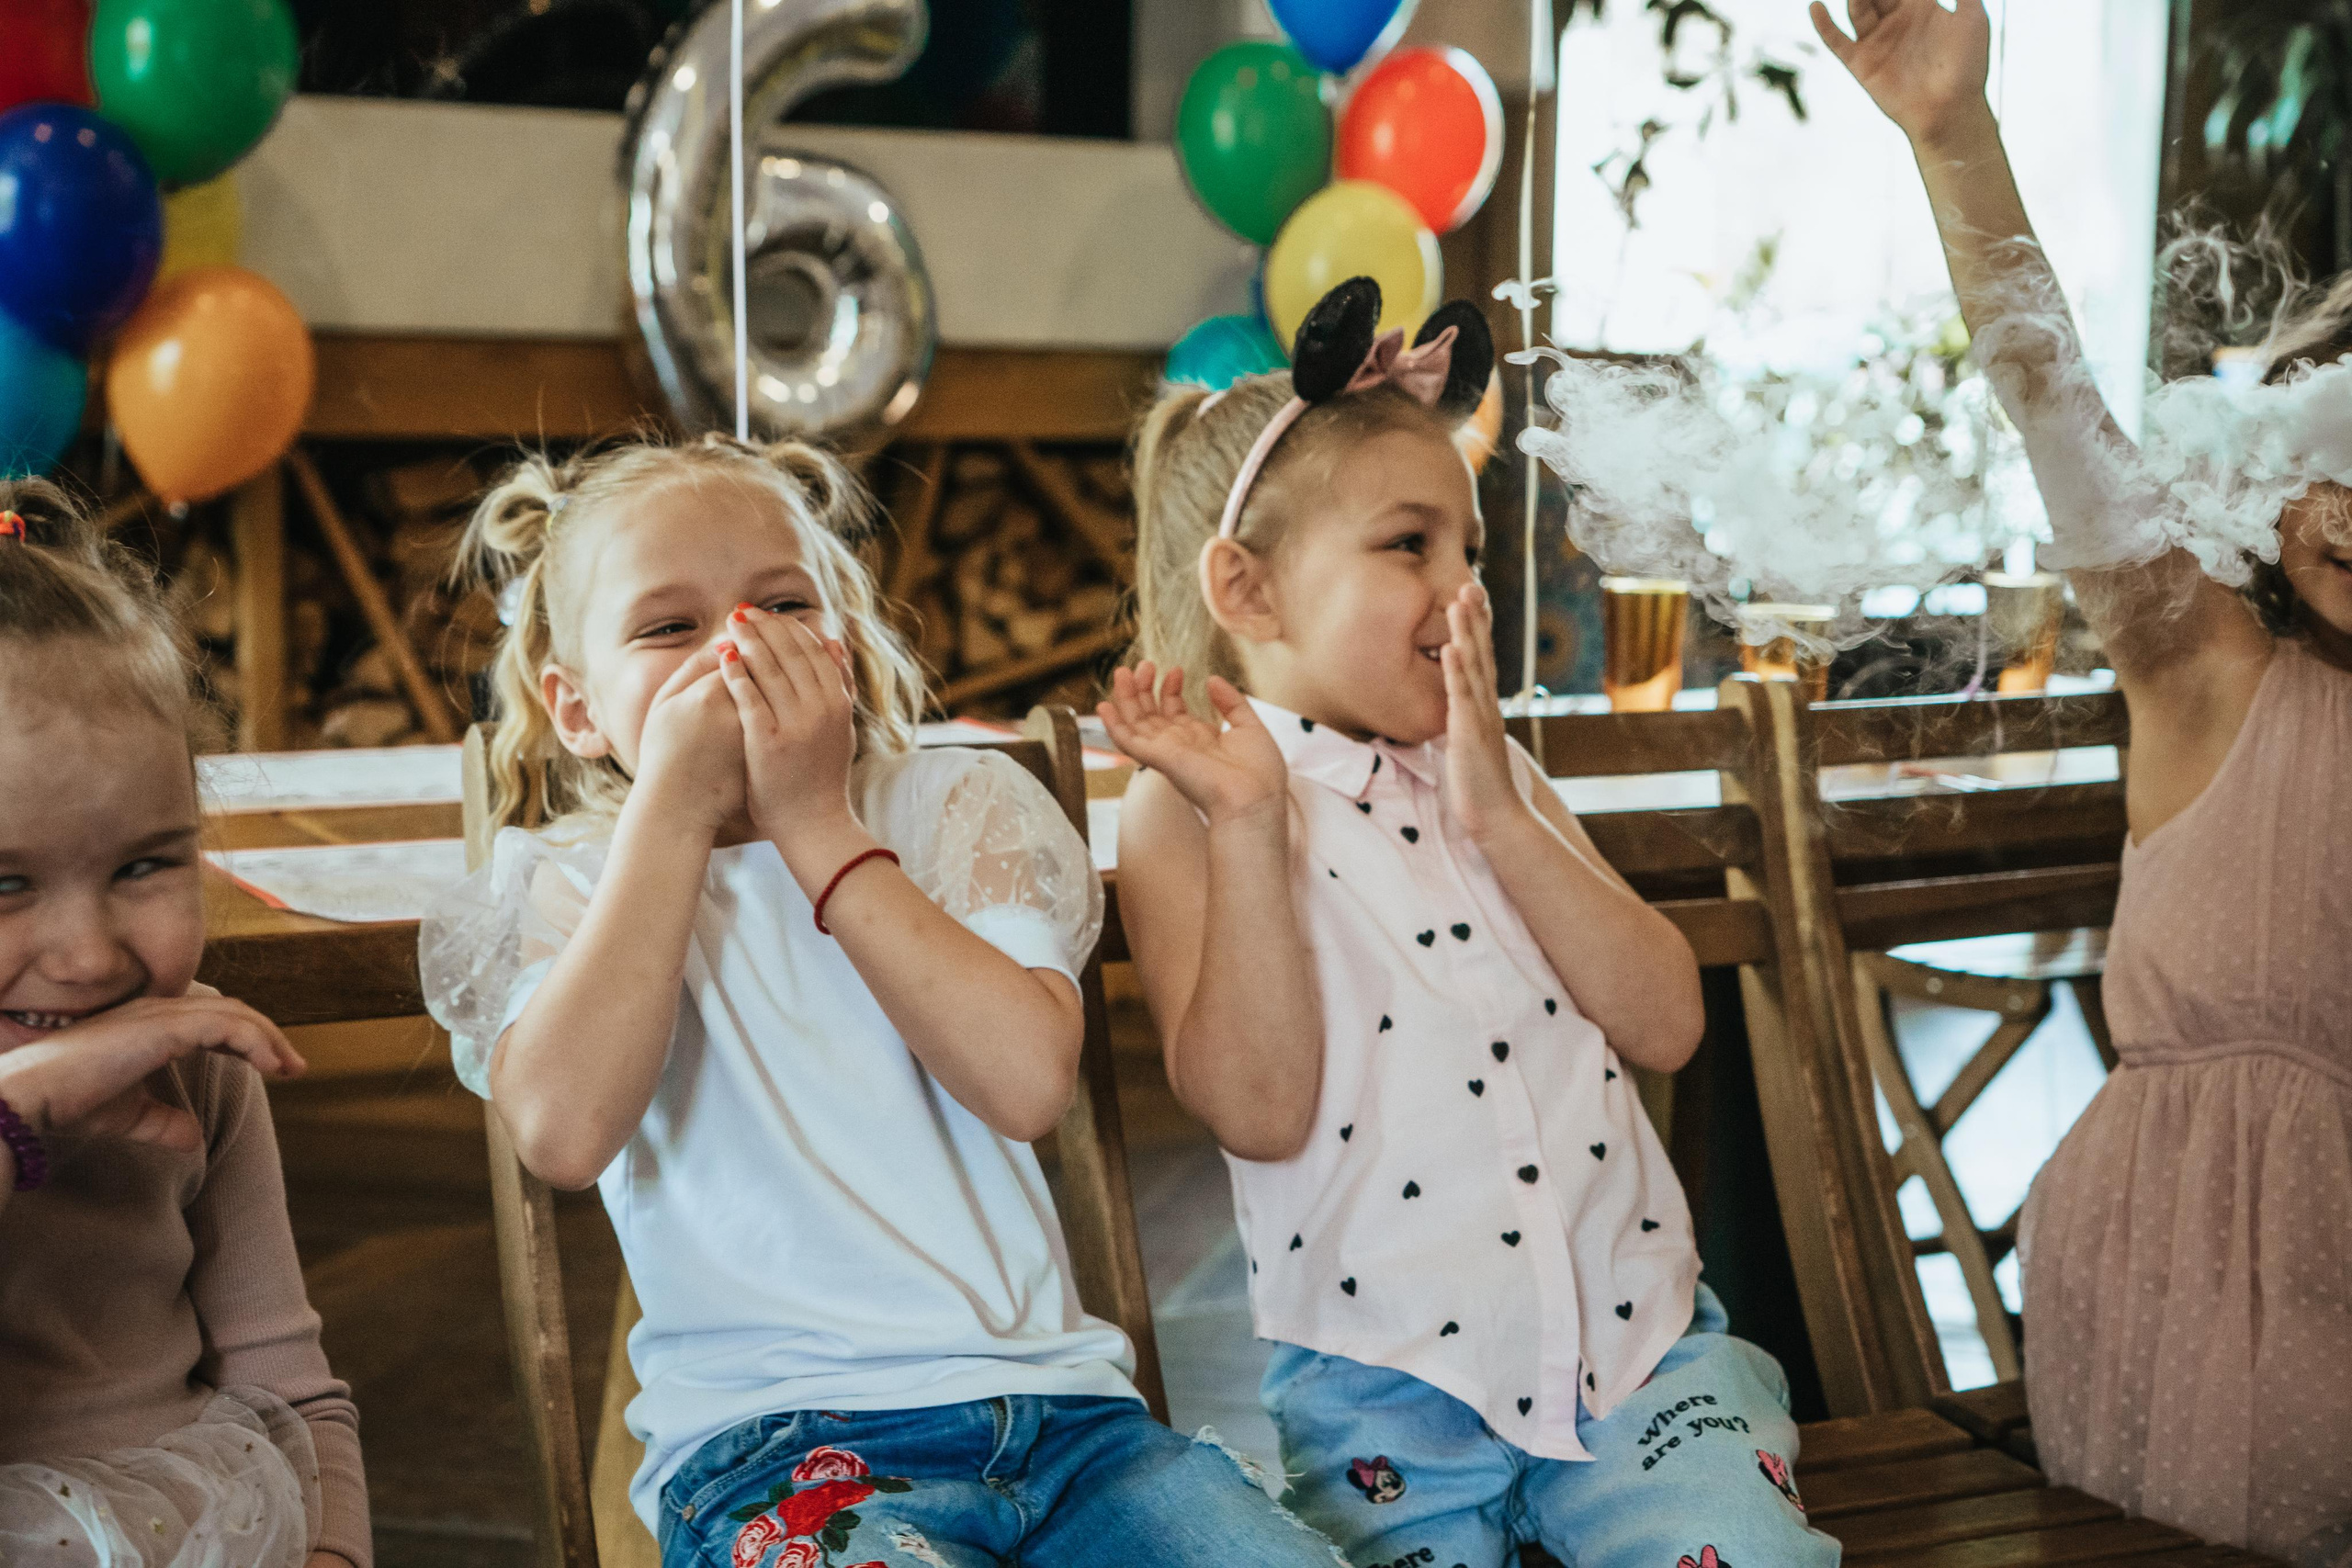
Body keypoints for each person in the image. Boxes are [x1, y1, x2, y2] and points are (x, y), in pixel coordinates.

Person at [419, 433, 1351, 1568]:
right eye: (669, 628)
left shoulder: (955, 809)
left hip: (1071, 1435)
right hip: (775, 1454)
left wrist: (818, 828)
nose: (736, 650)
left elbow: (1024, 1083)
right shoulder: (569, 884)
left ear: (844, 645)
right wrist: (669, 812)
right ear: (576, 708)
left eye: (780, 604)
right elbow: (563, 1133)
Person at [1102, 276, 1843, 1568]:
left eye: (1471, 555)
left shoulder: (1499, 777)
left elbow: (1669, 1021)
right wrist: (1248, 825)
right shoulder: (1189, 811)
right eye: (1409, 546)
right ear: (1250, 590)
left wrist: (1502, 814)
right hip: (1382, 1388)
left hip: (1640, 1357)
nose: (1460, 594)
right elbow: (1259, 1108)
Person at [1815, 3, 2352, 1560]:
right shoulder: (2212, 673)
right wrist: (1955, 138)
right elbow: (2054, 403)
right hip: (2197, 1267)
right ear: (2273, 481)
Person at [0, 481, 367, 1568]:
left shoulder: (199, 1058)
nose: (89, 956)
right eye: (4, 882)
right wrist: (29, 1108)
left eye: (147, 864)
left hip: (199, 1517)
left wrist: (335, 1553)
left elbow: (294, 1388)